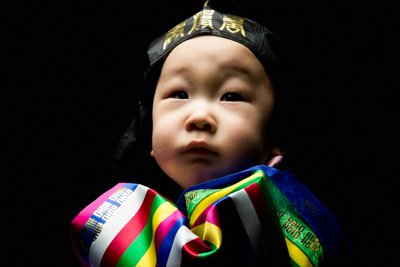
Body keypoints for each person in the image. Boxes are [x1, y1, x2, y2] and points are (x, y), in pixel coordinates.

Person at [70, 1, 352, 266]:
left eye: (231, 96)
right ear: (149, 131)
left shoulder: (278, 218)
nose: (200, 117)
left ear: (275, 139)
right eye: (179, 94)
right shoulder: (151, 212)